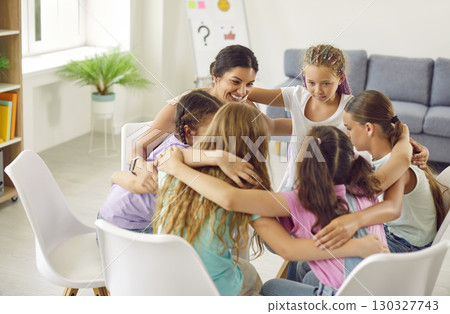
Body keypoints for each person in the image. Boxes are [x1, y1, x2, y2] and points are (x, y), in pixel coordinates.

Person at [156, 122, 392, 296]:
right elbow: (401, 160)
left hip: (343, 298)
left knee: (270, 288)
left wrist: (177, 167)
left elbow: (229, 198)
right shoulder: (367, 185)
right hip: (384, 287)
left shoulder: (296, 200)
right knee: (304, 271)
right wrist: (402, 136)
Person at [249, 44, 428, 192]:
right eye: (311, 83)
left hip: (336, 186)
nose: (318, 90)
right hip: (296, 180)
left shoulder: (350, 108)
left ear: (341, 78)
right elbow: (246, 92)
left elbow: (383, 131)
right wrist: (233, 92)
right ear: (303, 77)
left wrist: (414, 145)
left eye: (326, 83)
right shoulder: (296, 96)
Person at [120, 44, 291, 191]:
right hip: (176, 190)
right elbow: (142, 145)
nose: (243, 92)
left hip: (218, 189)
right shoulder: (187, 104)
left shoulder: (245, 107)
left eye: (249, 84)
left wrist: (313, 125)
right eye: (235, 82)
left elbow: (271, 128)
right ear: (216, 77)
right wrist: (140, 166)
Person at [98, 90, 243, 233]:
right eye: (213, 130)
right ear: (188, 132)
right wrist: (219, 157)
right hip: (122, 227)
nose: (220, 133)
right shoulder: (177, 154)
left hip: (114, 216)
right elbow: (180, 157)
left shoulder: (178, 141)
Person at [339, 90, 448, 253]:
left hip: (406, 245)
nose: (347, 134)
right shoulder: (390, 155)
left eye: (349, 128)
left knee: (317, 265)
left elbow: (368, 194)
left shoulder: (398, 167)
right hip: (395, 233)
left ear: (369, 128)